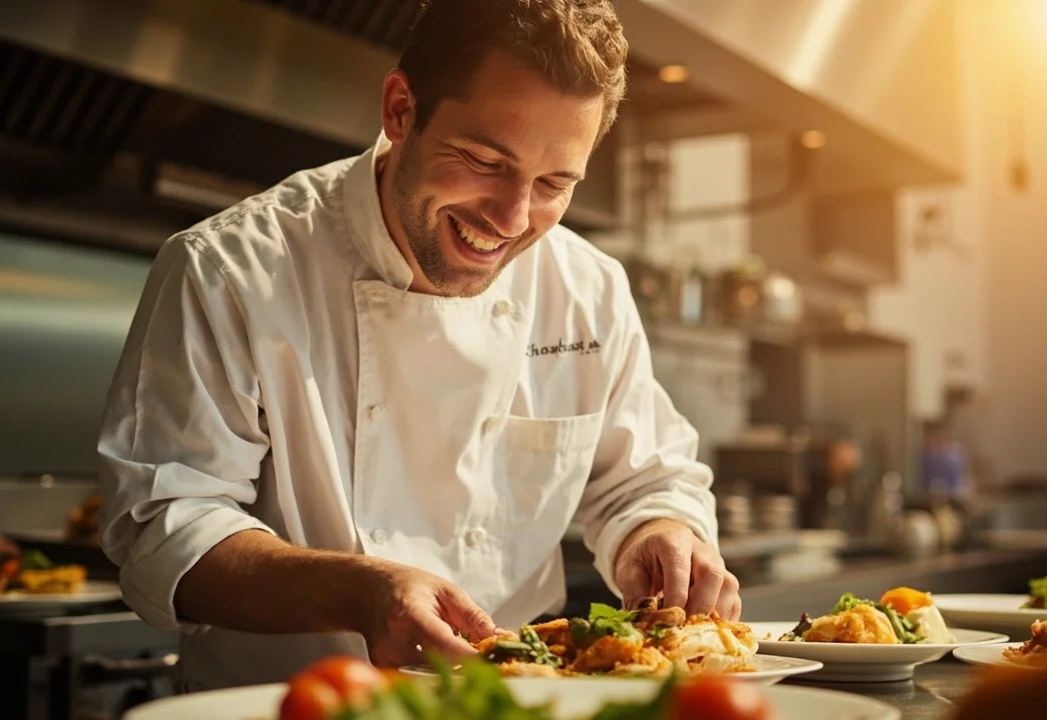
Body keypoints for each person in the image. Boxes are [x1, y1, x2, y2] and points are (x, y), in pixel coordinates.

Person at [96, 0, 737, 692]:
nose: (514, 220)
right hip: (296, 707)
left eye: (555, 184)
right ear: (400, 110)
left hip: (515, 706)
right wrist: (359, 591)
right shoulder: (229, 272)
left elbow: (641, 479)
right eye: (485, 160)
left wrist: (660, 532)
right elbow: (165, 528)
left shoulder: (588, 288)